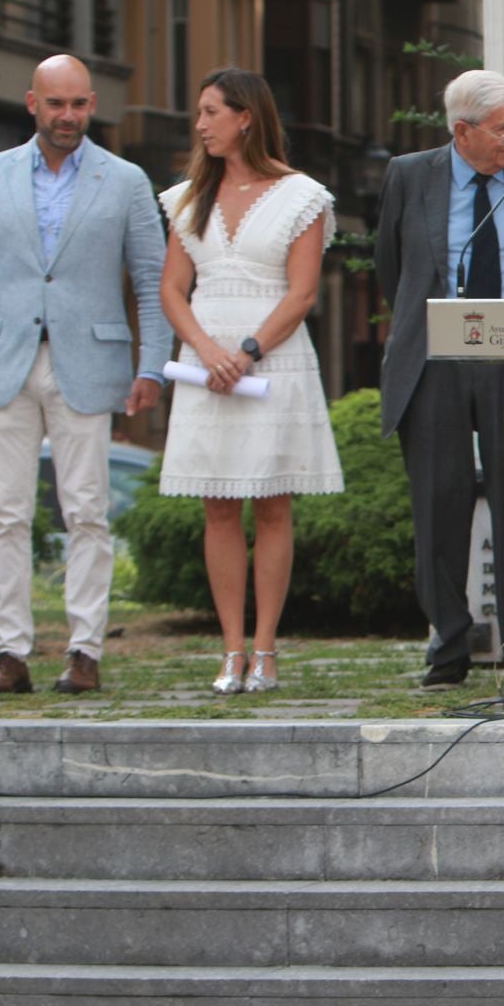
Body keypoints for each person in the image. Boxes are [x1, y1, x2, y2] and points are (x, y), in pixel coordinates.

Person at [0, 55, 170, 695]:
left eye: (79, 105)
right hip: (0, 360)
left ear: (93, 105)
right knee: (4, 512)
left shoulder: (124, 180)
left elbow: (154, 282)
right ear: (32, 104)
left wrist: (151, 367)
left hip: (90, 364)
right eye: (55, 104)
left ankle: (85, 649)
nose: (68, 117)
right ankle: (10, 651)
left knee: (87, 510)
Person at [375, 69, 504, 691]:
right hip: (436, 361)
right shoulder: (411, 176)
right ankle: (449, 639)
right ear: (462, 132)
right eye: (501, 129)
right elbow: (393, 268)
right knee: (440, 502)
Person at [158, 68, 342, 694]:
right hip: (207, 365)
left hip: (273, 360)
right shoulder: (187, 198)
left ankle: (266, 648)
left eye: (212, 111)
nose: (201, 124)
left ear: (246, 117)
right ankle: (230, 649)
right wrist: (209, 351)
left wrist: (248, 350)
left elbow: (303, 291)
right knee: (217, 505)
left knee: (271, 503)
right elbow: (171, 288)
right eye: (199, 112)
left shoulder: (303, 196)